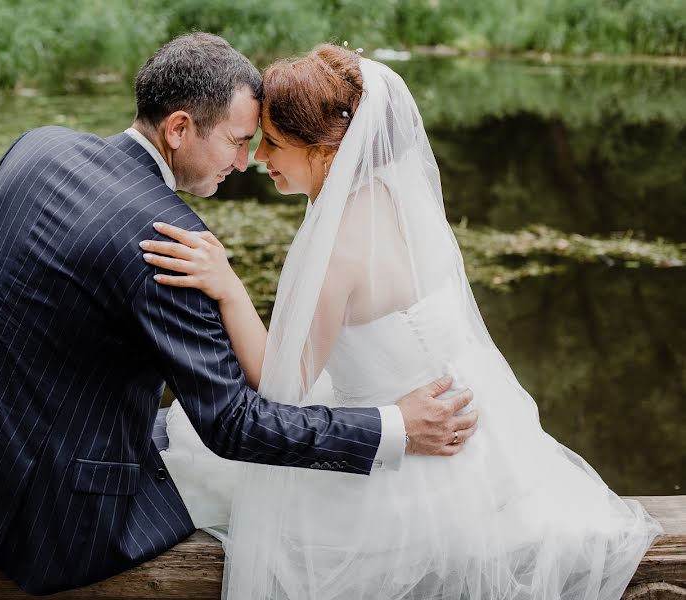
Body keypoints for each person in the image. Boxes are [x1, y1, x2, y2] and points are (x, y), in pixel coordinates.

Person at [0, 34, 476, 596]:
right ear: (179, 129)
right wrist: (395, 427)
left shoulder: (37, 146)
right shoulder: (167, 237)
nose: (246, 162)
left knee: (173, 433)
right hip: (55, 522)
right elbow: (235, 426)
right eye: (237, 140)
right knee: (263, 497)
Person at [144, 44, 662, 599]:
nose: (257, 157)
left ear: (325, 146)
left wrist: (227, 286)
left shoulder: (335, 248)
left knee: (201, 468)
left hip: (395, 481)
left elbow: (281, 387)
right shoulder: (399, 202)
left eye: (273, 140)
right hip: (481, 459)